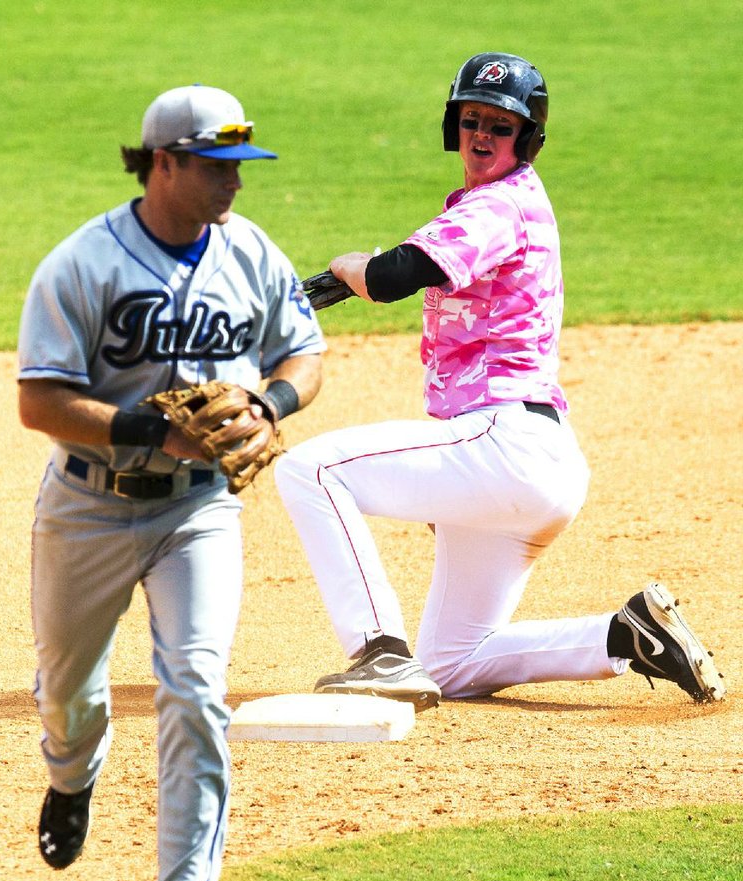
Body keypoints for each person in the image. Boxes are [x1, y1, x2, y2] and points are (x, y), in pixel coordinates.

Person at [274, 52, 725, 712]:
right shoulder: (494, 206)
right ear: (454, 125)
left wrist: (351, 267)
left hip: (505, 442)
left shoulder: (501, 206)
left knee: (310, 470)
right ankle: (626, 635)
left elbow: (394, 276)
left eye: (501, 126)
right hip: (524, 463)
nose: (482, 136)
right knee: (452, 664)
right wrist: (457, 495)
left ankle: (379, 651)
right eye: (471, 120)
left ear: (528, 140)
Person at [18, 84, 325, 881]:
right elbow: (40, 400)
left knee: (195, 688)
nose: (235, 182)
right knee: (67, 690)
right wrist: (156, 432)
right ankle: (72, 772)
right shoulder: (82, 264)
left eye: (241, 166)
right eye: (217, 165)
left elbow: (304, 353)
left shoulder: (252, 253)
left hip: (199, 511)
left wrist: (270, 401)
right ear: (163, 162)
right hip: (88, 506)